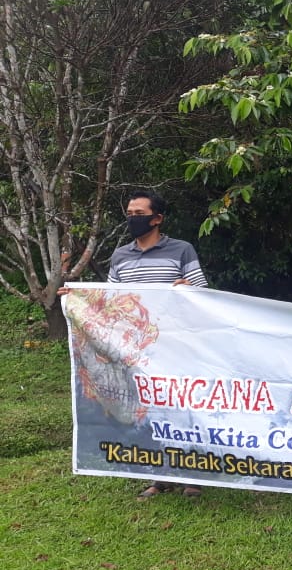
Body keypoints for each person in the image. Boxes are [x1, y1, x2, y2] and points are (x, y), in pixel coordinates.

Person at [65, 189, 208, 498]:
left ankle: (192, 476)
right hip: (137, 354)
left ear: (157, 218)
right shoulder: (121, 256)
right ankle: (158, 476)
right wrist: (76, 299)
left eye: (139, 214)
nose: (133, 219)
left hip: (176, 347)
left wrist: (188, 289)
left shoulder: (182, 250)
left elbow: (204, 295)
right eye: (129, 213)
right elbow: (108, 301)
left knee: (181, 408)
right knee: (149, 410)